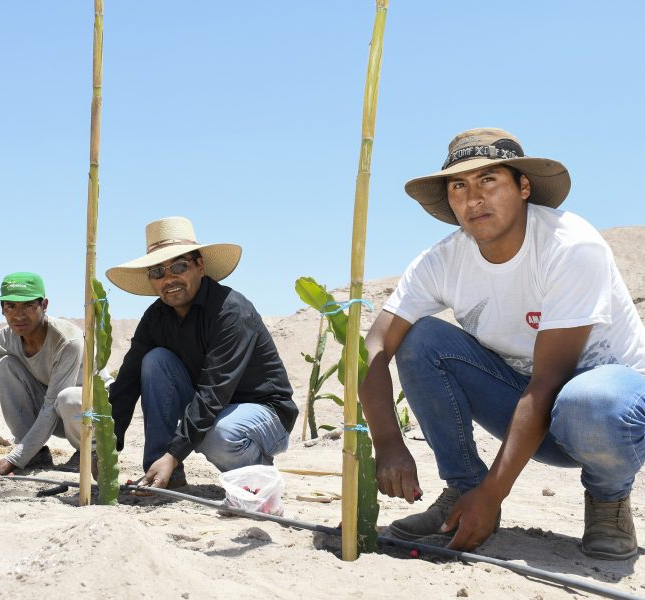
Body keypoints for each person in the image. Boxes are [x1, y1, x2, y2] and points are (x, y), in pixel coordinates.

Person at [359, 128, 645, 560]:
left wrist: (497, 493)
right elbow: (376, 344)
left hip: (603, 415)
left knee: (589, 401)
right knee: (422, 338)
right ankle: (463, 490)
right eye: (459, 186)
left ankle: (608, 501)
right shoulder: (442, 260)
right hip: (522, 405)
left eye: (489, 180)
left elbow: (550, 380)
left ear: (523, 187)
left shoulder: (570, 245)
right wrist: (387, 442)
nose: (474, 199)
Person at [105, 216, 298, 491]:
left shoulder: (230, 310)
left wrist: (175, 453)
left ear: (199, 266)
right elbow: (126, 383)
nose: (169, 278)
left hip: (264, 413)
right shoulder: (155, 317)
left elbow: (214, 391)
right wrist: (106, 446)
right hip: (213, 408)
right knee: (154, 361)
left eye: (179, 266)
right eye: (158, 272)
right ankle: (162, 475)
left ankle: (258, 478)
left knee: (218, 434)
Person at [0, 272, 85, 474]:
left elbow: (52, 404)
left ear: (44, 305)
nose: (18, 315)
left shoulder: (67, 340)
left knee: (67, 397)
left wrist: (14, 459)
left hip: (85, 417)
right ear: (2, 310)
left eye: (28, 305)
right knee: (2, 366)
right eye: (10, 306)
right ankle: (35, 455)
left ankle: (86, 453)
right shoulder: (2, 340)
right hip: (48, 412)